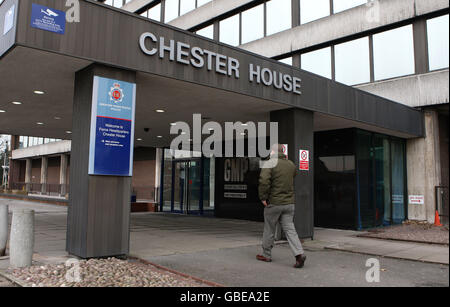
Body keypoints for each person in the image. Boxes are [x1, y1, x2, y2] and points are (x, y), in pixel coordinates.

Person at [257, 144, 306, 268]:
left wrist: (263, 197)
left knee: (269, 228)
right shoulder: (291, 164)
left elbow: (263, 181)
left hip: (274, 202)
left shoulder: (270, 163)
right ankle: (299, 254)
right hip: (289, 204)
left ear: (273, 152)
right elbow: (294, 175)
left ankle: (266, 255)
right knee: (290, 229)